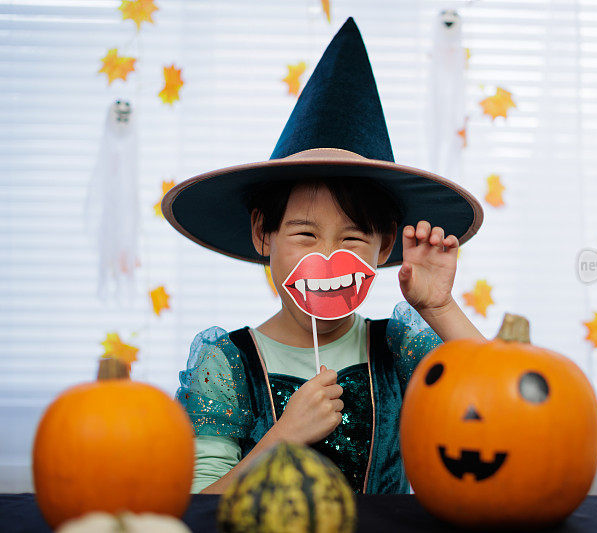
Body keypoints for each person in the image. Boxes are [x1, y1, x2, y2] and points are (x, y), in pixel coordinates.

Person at [162, 17, 484, 495]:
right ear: (262, 234)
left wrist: (439, 308)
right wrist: (282, 437)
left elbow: (502, 406)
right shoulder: (225, 364)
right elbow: (197, 508)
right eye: (304, 234)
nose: (328, 258)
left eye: (353, 238)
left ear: (385, 243)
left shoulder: (399, 346)